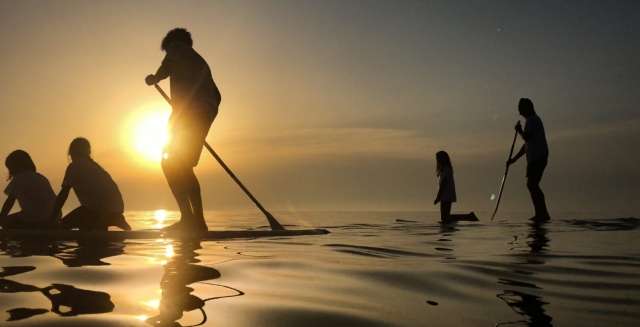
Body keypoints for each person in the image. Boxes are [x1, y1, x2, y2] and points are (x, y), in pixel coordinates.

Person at [145, 28, 221, 231]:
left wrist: (155, 78)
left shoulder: (177, 46)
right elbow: (217, 95)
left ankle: (190, 219)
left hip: (191, 114)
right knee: (183, 166)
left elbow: (167, 66)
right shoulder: (199, 61)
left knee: (170, 162)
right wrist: (204, 115)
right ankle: (197, 221)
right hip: (199, 113)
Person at [49, 138, 131, 231]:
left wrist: (52, 219)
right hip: (116, 209)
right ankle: (111, 221)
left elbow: (63, 194)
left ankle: (104, 223)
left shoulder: (75, 166)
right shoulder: (95, 167)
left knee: (64, 224)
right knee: (88, 224)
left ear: (71, 153)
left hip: (98, 211)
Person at [506, 98, 550, 221]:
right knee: (532, 185)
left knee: (532, 184)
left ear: (528, 107)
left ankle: (542, 214)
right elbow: (527, 145)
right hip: (535, 158)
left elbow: (527, 137)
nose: (519, 108)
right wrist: (514, 159)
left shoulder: (533, 120)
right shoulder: (530, 121)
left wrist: (520, 131)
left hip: (538, 157)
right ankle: (541, 213)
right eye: (518, 106)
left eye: (521, 106)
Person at [0, 150, 60, 229]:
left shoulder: (19, 179)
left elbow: (10, 202)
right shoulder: (41, 177)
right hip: (54, 216)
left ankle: (30, 230)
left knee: (5, 222)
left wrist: (2, 218)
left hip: (33, 218)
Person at [433, 151, 477, 223]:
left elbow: (444, 184)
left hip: (446, 196)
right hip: (444, 196)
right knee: (445, 217)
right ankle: (467, 217)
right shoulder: (443, 170)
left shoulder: (447, 169)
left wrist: (438, 197)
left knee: (445, 217)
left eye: (438, 158)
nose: (437, 160)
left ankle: (468, 216)